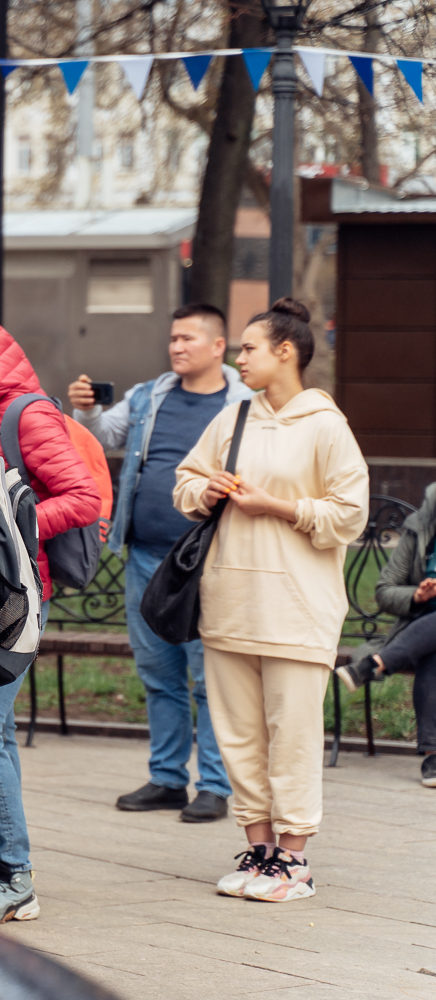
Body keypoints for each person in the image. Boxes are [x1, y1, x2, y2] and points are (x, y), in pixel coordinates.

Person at [175, 297, 368, 902]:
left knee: (293, 733)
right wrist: (206, 492)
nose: (240, 358)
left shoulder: (326, 425)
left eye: (249, 348)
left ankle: (295, 859)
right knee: (235, 734)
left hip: (297, 607)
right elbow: (184, 480)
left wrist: (275, 506)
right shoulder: (233, 419)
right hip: (229, 600)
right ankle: (259, 852)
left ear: (286, 352)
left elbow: (350, 514)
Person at [68, 304, 255, 823]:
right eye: (173, 338)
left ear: (219, 346)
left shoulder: (246, 404)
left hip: (211, 560)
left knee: (209, 675)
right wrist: (85, 410)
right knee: (158, 673)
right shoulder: (151, 395)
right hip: (146, 556)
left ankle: (215, 785)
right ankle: (168, 778)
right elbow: (104, 437)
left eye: (188, 338)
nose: (176, 347)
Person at [0, 316, 100, 923]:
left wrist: (10, 523)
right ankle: (7, 866)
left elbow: (81, 497)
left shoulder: (26, 417)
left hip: (19, 599)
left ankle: (13, 877)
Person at [335, 482, 436, 788]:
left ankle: (374, 664)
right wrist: (416, 596)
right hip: (424, 630)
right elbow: (385, 590)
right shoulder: (421, 529)